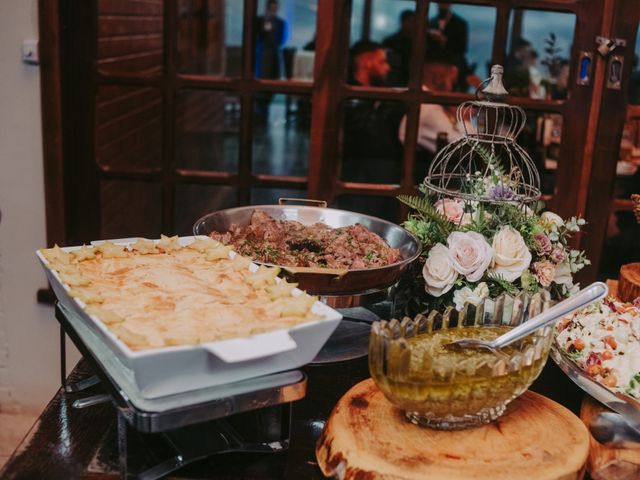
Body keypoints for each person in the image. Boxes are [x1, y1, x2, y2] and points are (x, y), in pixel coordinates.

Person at [342, 41, 404, 184]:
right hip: (359, 172)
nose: (387, 67)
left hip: (381, 171)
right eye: (382, 62)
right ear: (366, 63)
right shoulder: (350, 99)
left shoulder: (379, 96)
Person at [399, 61, 462, 155]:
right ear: (438, 79)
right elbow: (465, 148)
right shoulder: (429, 111)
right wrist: (464, 118)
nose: (452, 88)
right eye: (452, 82)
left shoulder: (421, 104)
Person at [254, 0, 287, 119]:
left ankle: (265, 106)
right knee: (262, 80)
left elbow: (280, 40)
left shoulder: (280, 23)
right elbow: (257, 36)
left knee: (273, 80)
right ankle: (260, 107)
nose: (274, 10)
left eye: (275, 8)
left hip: (274, 55)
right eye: (272, 8)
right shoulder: (260, 20)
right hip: (263, 55)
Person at [427, 3, 468, 89]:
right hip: (434, 64)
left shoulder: (460, 24)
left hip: (453, 62)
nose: (441, 5)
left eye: (444, 3)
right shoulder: (431, 22)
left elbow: (462, 48)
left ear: (450, 4)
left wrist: (445, 41)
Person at [382, 10, 416, 86]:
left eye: (414, 21)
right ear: (402, 22)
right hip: (395, 79)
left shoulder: (421, 42)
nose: (412, 25)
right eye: (410, 21)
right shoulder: (391, 41)